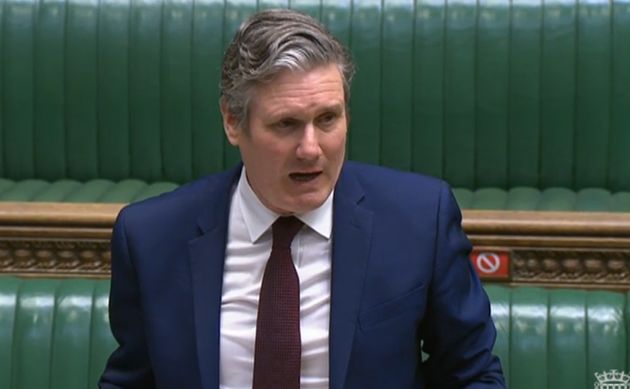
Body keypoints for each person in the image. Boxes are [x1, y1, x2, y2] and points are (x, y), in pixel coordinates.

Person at [99, 8, 505, 389]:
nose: (311, 148)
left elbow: (473, 374)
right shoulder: (151, 238)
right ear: (232, 122)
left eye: (328, 119)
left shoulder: (419, 222)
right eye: (286, 124)